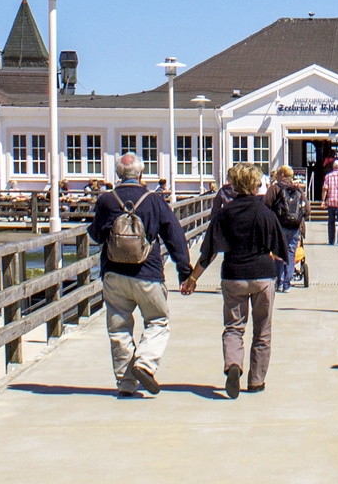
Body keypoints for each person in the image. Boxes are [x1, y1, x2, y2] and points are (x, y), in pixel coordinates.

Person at [89, 152, 193, 397]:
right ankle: (145, 363)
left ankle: (126, 383)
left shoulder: (106, 200)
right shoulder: (153, 200)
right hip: (148, 272)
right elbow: (174, 235)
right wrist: (184, 269)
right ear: (141, 174)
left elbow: (95, 234)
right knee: (157, 320)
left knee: (119, 329)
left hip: (114, 274)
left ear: (117, 174)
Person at [182, 164, 289, 398]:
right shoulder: (265, 213)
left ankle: (233, 364)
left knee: (233, 328)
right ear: (254, 185)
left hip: (233, 276)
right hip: (262, 275)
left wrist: (192, 278)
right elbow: (280, 250)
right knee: (262, 331)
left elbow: (209, 252)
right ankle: (256, 381)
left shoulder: (224, 214)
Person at [264, 166, 305, 291]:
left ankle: (279, 281)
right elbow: (307, 209)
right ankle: (287, 282)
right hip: (294, 226)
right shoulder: (298, 190)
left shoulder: (275, 189)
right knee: (291, 252)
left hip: (279, 225)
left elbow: (265, 205)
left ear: (282, 174)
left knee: (278, 252)